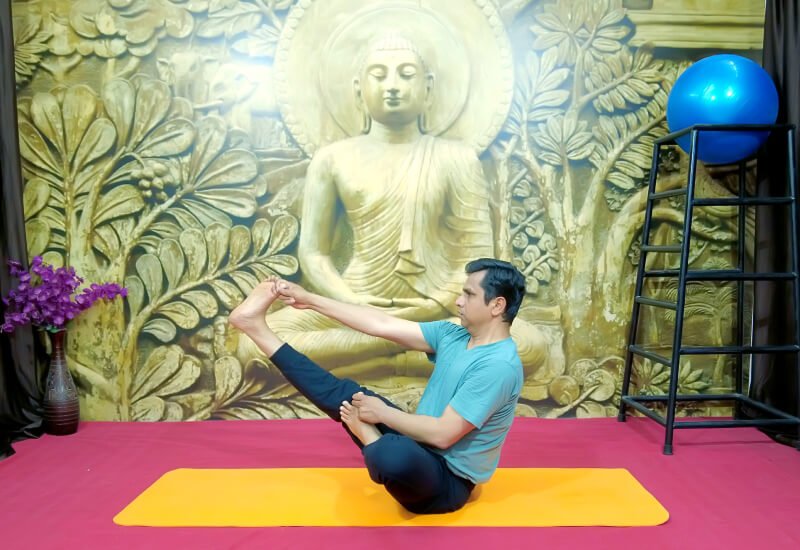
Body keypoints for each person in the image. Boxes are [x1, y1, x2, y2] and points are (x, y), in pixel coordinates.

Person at [232, 34, 549, 379]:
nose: (393, 85)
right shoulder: (332, 159)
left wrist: (435, 304)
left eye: (406, 74)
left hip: (435, 310)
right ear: (358, 88)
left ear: (428, 87)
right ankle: (404, 350)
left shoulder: (456, 159)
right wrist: (353, 303)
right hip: (353, 305)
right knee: (253, 345)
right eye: (379, 75)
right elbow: (315, 254)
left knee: (527, 345)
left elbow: (475, 257)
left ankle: (383, 354)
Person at [229, 258, 525, 514]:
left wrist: (382, 415)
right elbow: (380, 324)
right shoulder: (454, 336)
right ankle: (256, 328)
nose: (458, 301)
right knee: (347, 395)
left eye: (469, 294)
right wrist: (310, 299)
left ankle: (371, 437)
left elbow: (443, 435)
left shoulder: (498, 366)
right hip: (420, 443)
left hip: (445, 482)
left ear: (497, 305)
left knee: (395, 456)